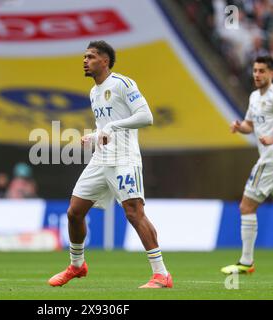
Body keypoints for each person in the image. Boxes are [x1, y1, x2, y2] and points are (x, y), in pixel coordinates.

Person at [48, 41, 172, 289]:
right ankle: (77, 265)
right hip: (101, 158)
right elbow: (105, 127)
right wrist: (94, 137)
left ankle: (161, 274)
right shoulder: (94, 92)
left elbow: (146, 117)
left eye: (91, 56)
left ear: (105, 61)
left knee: (134, 213)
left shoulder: (123, 83)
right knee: (74, 211)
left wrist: (113, 128)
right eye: (84, 56)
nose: (85, 60)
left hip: (124, 158)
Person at [221, 56, 273, 275]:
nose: (257, 75)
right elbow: (250, 125)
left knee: (246, 207)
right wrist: (240, 127)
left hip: (271, 159)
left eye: (262, 71)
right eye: (255, 70)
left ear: (271, 73)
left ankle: (246, 263)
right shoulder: (253, 97)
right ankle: (246, 263)